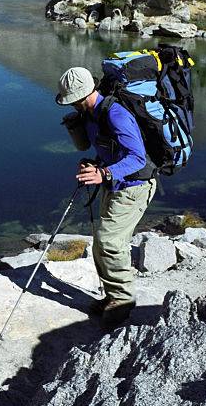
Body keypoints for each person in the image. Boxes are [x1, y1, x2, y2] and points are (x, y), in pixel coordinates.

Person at [56, 67, 157, 328]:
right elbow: (109, 148)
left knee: (110, 242)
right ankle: (112, 296)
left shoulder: (116, 114)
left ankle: (122, 302)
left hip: (135, 187)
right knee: (101, 243)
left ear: (82, 95)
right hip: (115, 184)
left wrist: (103, 173)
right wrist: (96, 164)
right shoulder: (90, 114)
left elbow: (136, 157)